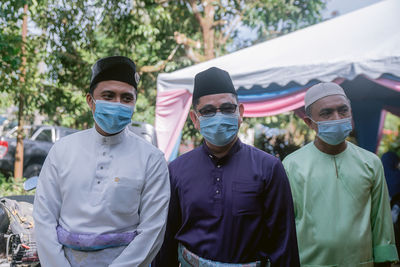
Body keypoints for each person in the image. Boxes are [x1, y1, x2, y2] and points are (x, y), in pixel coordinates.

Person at [153, 67, 300, 267]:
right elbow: (166, 240)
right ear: (195, 119)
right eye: (208, 111)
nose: (219, 116)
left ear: (240, 113)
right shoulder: (177, 170)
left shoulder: (269, 168)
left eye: (227, 108)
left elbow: (284, 243)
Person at [33, 56, 170, 267]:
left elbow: (152, 230)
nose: (118, 104)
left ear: (134, 102)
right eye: (108, 96)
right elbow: (44, 219)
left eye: (126, 98)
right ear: (90, 100)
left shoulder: (152, 159)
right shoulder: (62, 150)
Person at [283, 82, 398, 267]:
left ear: (351, 113)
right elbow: (285, 227)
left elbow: (381, 221)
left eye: (343, 110)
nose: (337, 117)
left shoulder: (371, 162)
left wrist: (384, 260)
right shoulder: (291, 165)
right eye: (326, 113)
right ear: (309, 122)